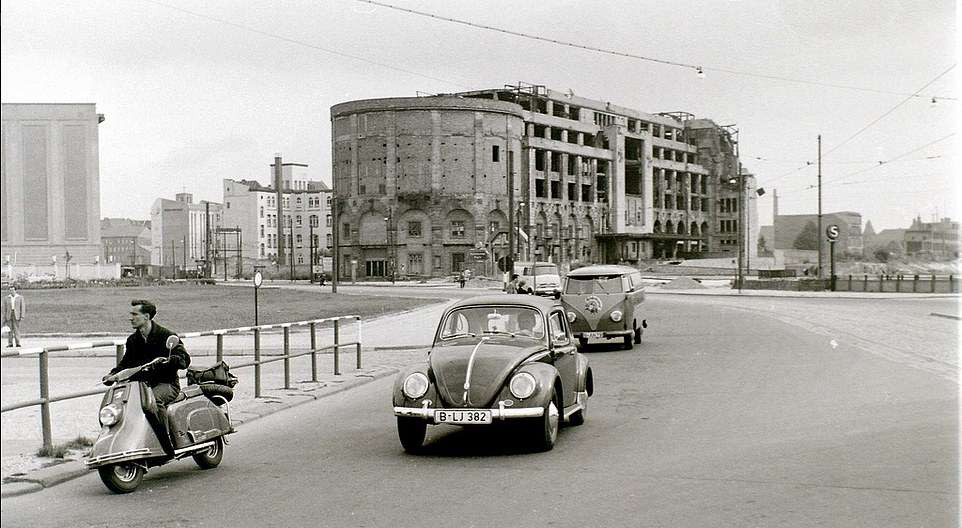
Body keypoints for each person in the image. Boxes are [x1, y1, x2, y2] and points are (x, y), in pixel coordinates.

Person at [103, 300, 191, 455]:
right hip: (141, 386)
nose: (130, 318)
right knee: (123, 405)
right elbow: (126, 363)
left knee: (154, 401)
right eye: (131, 314)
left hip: (166, 384)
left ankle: (165, 441)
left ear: (147, 316)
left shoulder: (167, 336)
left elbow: (184, 359)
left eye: (134, 314)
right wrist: (112, 375)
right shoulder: (133, 340)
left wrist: (171, 360)